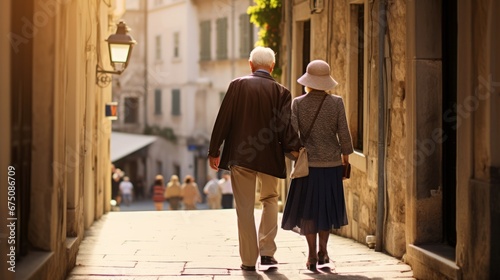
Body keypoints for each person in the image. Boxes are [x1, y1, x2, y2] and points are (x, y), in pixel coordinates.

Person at [208, 46, 301, 271]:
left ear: (251, 65)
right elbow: (285, 127)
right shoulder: (282, 92)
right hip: (270, 157)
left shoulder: (237, 86)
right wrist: (295, 149)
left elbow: (224, 119)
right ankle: (267, 253)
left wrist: (214, 150)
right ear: (271, 67)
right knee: (270, 199)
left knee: (244, 207)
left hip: (241, 157)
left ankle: (249, 260)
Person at [281, 60, 354, 271]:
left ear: (308, 81)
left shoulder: (298, 103)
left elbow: (291, 135)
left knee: (309, 211)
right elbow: (344, 134)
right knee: (327, 209)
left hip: (308, 167)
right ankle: (323, 250)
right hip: (331, 165)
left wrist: (294, 155)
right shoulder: (337, 103)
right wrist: (345, 161)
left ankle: (311, 254)